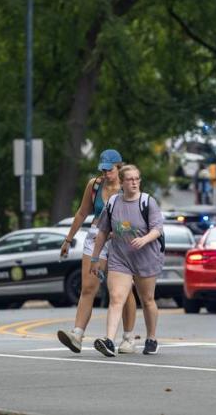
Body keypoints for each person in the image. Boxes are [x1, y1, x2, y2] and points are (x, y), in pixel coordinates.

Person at [56, 149, 138, 354]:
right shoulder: (94, 185)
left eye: (110, 170)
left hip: (120, 241)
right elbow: (82, 212)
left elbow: (135, 218)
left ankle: (128, 338)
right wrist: (68, 239)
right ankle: (77, 335)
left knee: (122, 291)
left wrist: (118, 230)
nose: (106, 174)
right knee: (87, 288)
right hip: (95, 237)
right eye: (103, 170)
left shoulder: (127, 186)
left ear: (119, 167)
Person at [89, 165, 164, 357]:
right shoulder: (113, 202)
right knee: (116, 298)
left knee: (147, 300)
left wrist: (144, 239)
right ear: (121, 182)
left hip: (145, 257)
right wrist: (95, 258)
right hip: (120, 258)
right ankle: (108, 341)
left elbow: (157, 229)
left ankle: (152, 338)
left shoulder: (148, 202)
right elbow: (103, 231)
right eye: (130, 179)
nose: (134, 182)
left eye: (137, 179)